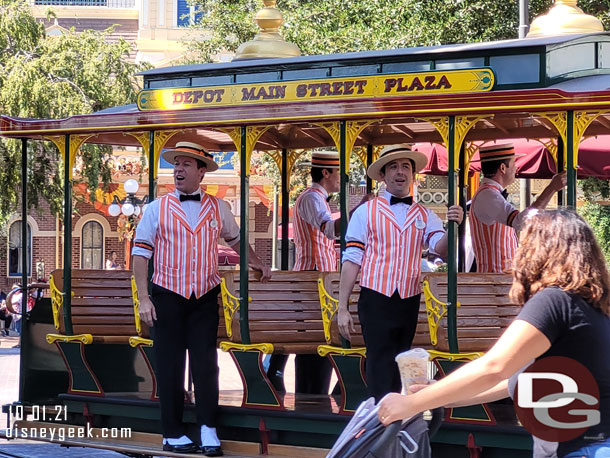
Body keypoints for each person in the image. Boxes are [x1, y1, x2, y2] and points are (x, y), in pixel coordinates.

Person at [378, 210, 610, 458]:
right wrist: (435, 396)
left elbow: (494, 367)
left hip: (578, 450)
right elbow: (510, 383)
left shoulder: (554, 301)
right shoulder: (592, 306)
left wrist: (410, 404)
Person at [132, 141, 272, 456]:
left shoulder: (219, 208)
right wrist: (144, 298)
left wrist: (258, 263)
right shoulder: (156, 209)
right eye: (176, 164)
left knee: (206, 365)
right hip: (167, 295)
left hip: (205, 296)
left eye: (186, 164)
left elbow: (237, 240)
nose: (178, 169)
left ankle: (208, 427)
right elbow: (140, 255)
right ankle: (172, 432)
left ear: (201, 171)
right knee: (170, 365)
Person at [337, 144, 464, 402]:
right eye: (393, 166)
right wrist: (342, 307)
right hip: (375, 297)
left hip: (408, 298)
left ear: (413, 174)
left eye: (406, 166)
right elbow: (352, 260)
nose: (400, 172)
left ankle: (395, 418)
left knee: (402, 360)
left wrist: (455, 226)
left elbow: (441, 249)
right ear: (383, 176)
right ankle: (380, 420)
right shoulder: (365, 212)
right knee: (379, 360)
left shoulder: (425, 214)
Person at [267, 151, 371, 395]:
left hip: (318, 278)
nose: (341, 180)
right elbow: (331, 230)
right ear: (326, 173)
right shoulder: (312, 198)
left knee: (320, 342)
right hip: (312, 279)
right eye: (339, 174)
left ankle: (319, 393)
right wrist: (360, 210)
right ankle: (314, 394)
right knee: (317, 342)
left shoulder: (316, 198)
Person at [469, 143, 567, 272]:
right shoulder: (488, 195)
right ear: (503, 168)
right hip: (494, 280)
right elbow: (520, 222)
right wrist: (551, 189)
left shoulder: (490, 194)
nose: (516, 168)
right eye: (514, 163)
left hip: (499, 279)